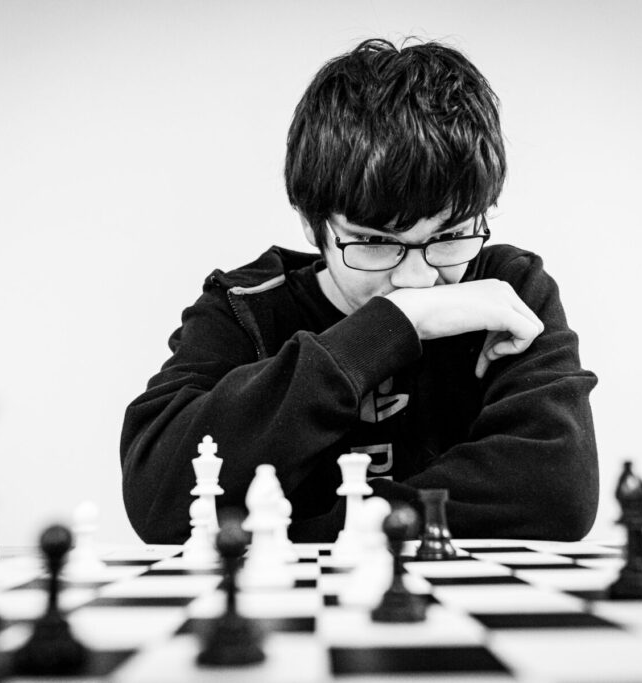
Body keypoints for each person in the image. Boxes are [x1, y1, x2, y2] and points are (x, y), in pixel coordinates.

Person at [120, 37, 599, 544]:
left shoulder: (507, 293)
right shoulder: (249, 307)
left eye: (449, 235)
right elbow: (158, 498)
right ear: (313, 224)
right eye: (375, 242)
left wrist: (314, 530)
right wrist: (390, 327)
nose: (417, 280)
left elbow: (557, 495)